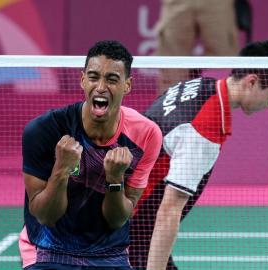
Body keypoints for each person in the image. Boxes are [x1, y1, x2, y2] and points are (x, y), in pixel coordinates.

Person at [129, 40, 268, 270]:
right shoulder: (204, 127)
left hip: (133, 219)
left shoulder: (200, 86)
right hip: (130, 228)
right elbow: (169, 210)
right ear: (252, 81)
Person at [18, 40, 162, 270]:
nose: (101, 87)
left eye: (112, 79)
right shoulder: (44, 130)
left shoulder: (146, 135)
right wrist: (62, 169)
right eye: (94, 77)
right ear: (83, 79)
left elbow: (117, 219)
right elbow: (46, 216)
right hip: (48, 250)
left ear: (127, 85)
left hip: (109, 253)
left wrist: (115, 180)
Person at [154, 0, 240, 94]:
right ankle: (169, 106)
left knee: (222, 59)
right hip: (177, 3)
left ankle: (220, 105)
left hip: (217, 3)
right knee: (172, 61)